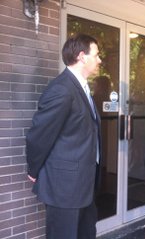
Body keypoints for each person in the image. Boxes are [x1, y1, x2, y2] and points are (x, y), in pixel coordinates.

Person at [26, 34, 102, 239]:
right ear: (81, 56)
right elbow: (39, 135)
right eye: (96, 55)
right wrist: (33, 169)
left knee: (86, 233)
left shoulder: (83, 88)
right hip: (65, 187)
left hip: (84, 183)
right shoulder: (61, 89)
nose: (100, 60)